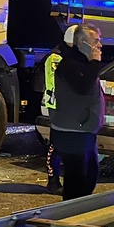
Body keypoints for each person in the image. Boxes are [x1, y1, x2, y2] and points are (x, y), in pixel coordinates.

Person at [51, 23, 104, 200]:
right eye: (96, 41)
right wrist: (95, 62)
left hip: (84, 131)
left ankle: (77, 214)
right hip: (72, 133)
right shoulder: (69, 64)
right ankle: (69, 219)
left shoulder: (83, 64)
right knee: (76, 181)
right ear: (82, 42)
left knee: (89, 174)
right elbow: (83, 87)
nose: (99, 46)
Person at [41, 25, 78, 194]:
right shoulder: (56, 58)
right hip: (59, 108)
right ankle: (53, 181)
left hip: (68, 107)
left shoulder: (69, 56)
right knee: (56, 145)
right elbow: (59, 83)